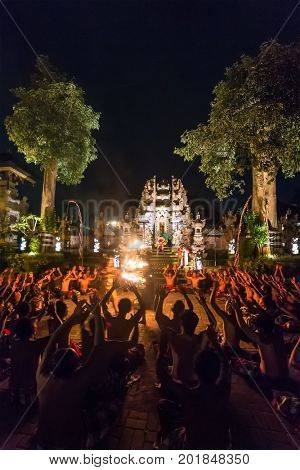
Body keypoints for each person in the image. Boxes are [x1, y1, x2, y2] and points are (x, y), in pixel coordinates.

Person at [36, 300, 131, 449]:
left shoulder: (41, 375)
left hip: (42, 443)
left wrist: (73, 318)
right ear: (75, 368)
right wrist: (98, 315)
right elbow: (99, 347)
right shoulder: (76, 382)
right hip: (70, 445)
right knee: (112, 408)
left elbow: (54, 338)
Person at [157, 327, 231, 449]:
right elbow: (226, 363)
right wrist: (215, 343)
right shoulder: (224, 389)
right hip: (221, 447)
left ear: (196, 370)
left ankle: (162, 444)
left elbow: (161, 374)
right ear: (218, 371)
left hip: (193, 447)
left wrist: (161, 348)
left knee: (163, 405)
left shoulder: (189, 394)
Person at [10, 317, 49, 405]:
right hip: (30, 393)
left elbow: (13, 328)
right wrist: (55, 313)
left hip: (14, 392)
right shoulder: (36, 345)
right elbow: (58, 333)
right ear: (33, 330)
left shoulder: (13, 343)